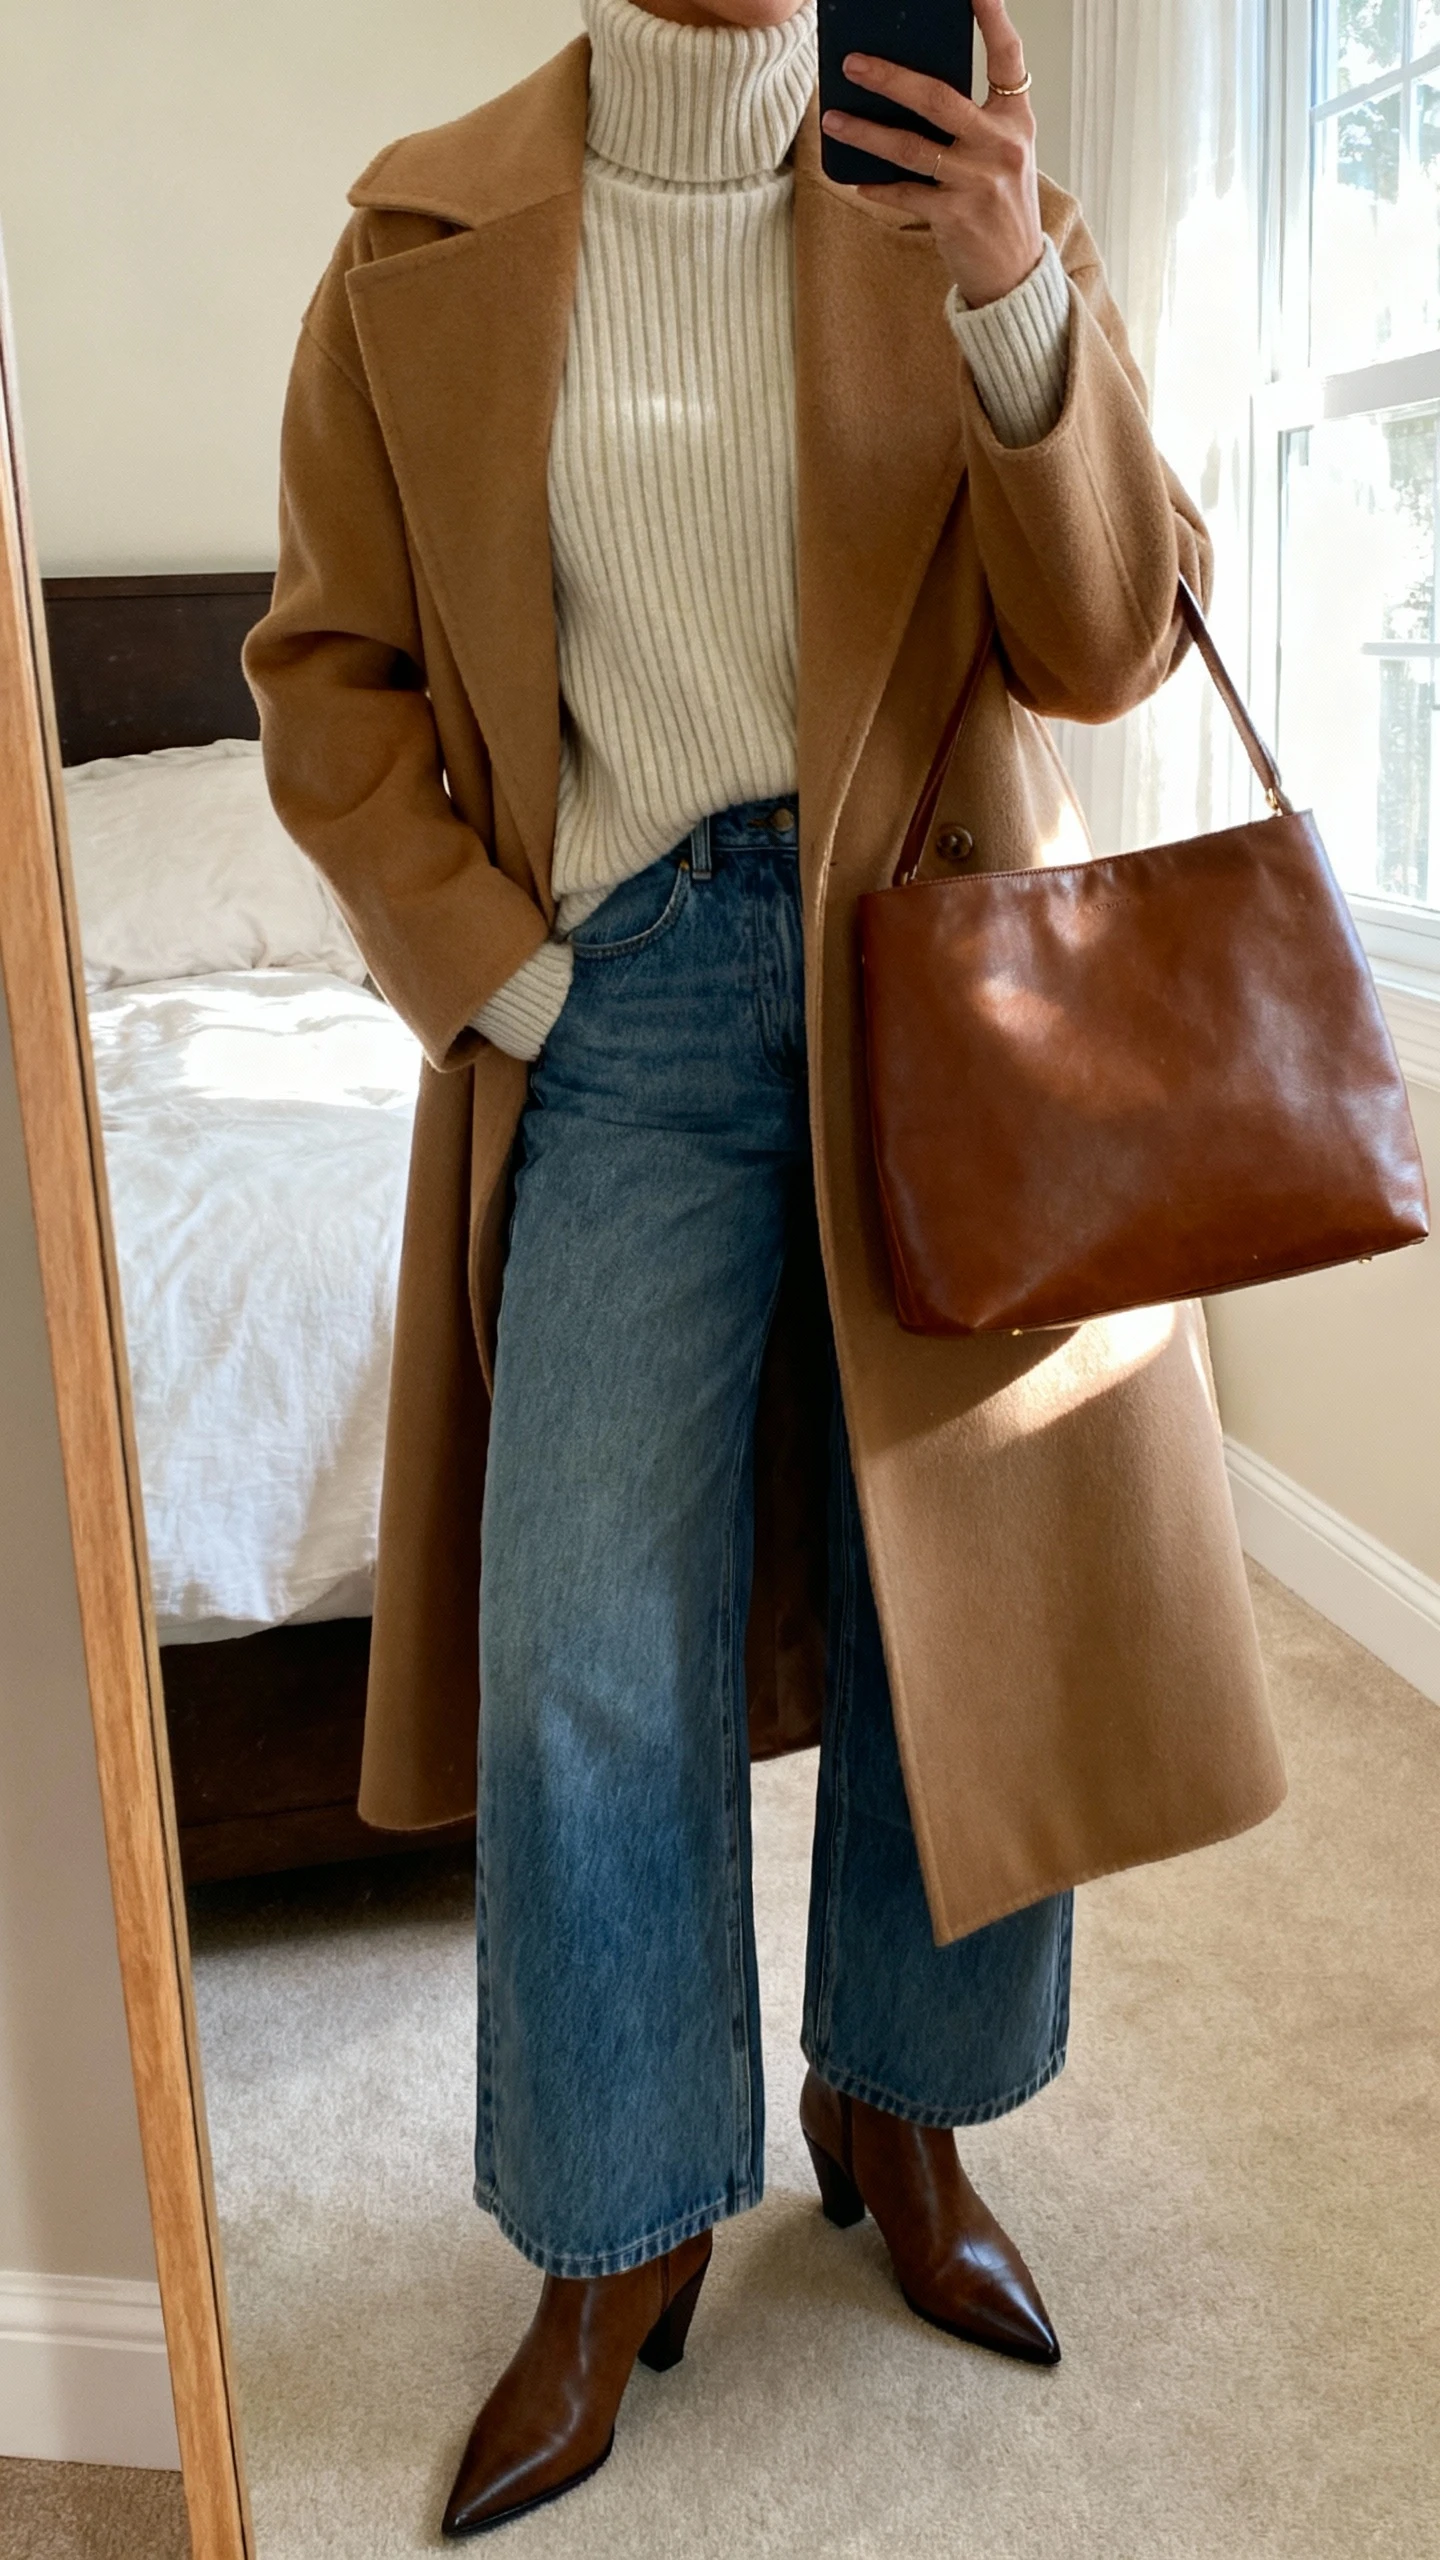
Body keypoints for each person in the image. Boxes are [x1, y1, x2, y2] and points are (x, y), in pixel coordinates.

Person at [245, 0, 1286, 2535]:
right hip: (618, 997)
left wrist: (1015, 285)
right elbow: (325, 674)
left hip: (946, 977)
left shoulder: (955, 181)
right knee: (584, 1630)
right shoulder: (421, 225)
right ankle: (619, 2225)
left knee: (978, 1602)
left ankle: (898, 2120)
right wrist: (502, 970)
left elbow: (1111, 642)